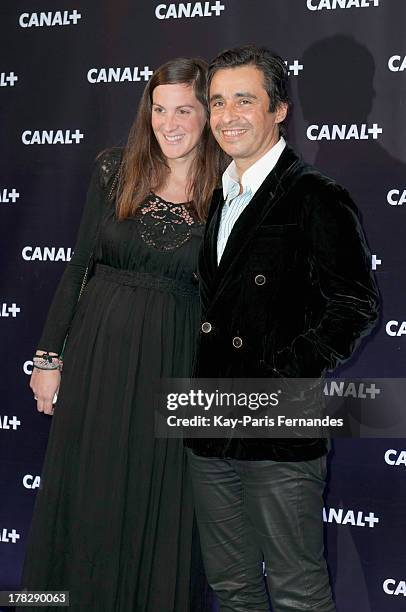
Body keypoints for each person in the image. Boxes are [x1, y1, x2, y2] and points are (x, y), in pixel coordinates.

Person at [20, 57, 225, 612]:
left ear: (208, 114)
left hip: (175, 359)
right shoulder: (115, 169)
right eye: (159, 109)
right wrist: (48, 356)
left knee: (160, 503)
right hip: (98, 354)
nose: (170, 122)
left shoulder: (229, 190)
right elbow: (78, 266)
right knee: (88, 493)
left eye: (184, 109)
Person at [185, 45, 380, 612]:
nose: (226, 116)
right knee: (233, 587)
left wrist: (284, 372)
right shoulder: (220, 195)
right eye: (217, 102)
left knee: (296, 589)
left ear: (279, 110)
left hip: (279, 420)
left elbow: (355, 302)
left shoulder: (315, 196)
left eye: (243, 100)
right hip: (209, 422)